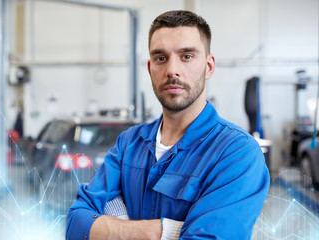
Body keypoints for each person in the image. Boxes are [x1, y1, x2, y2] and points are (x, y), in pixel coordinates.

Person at [66, 10, 270, 240]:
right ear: (150, 68)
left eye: (187, 56)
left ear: (209, 66)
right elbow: (75, 223)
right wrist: (159, 231)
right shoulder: (129, 143)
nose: (172, 70)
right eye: (161, 58)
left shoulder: (236, 153)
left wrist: (111, 225)